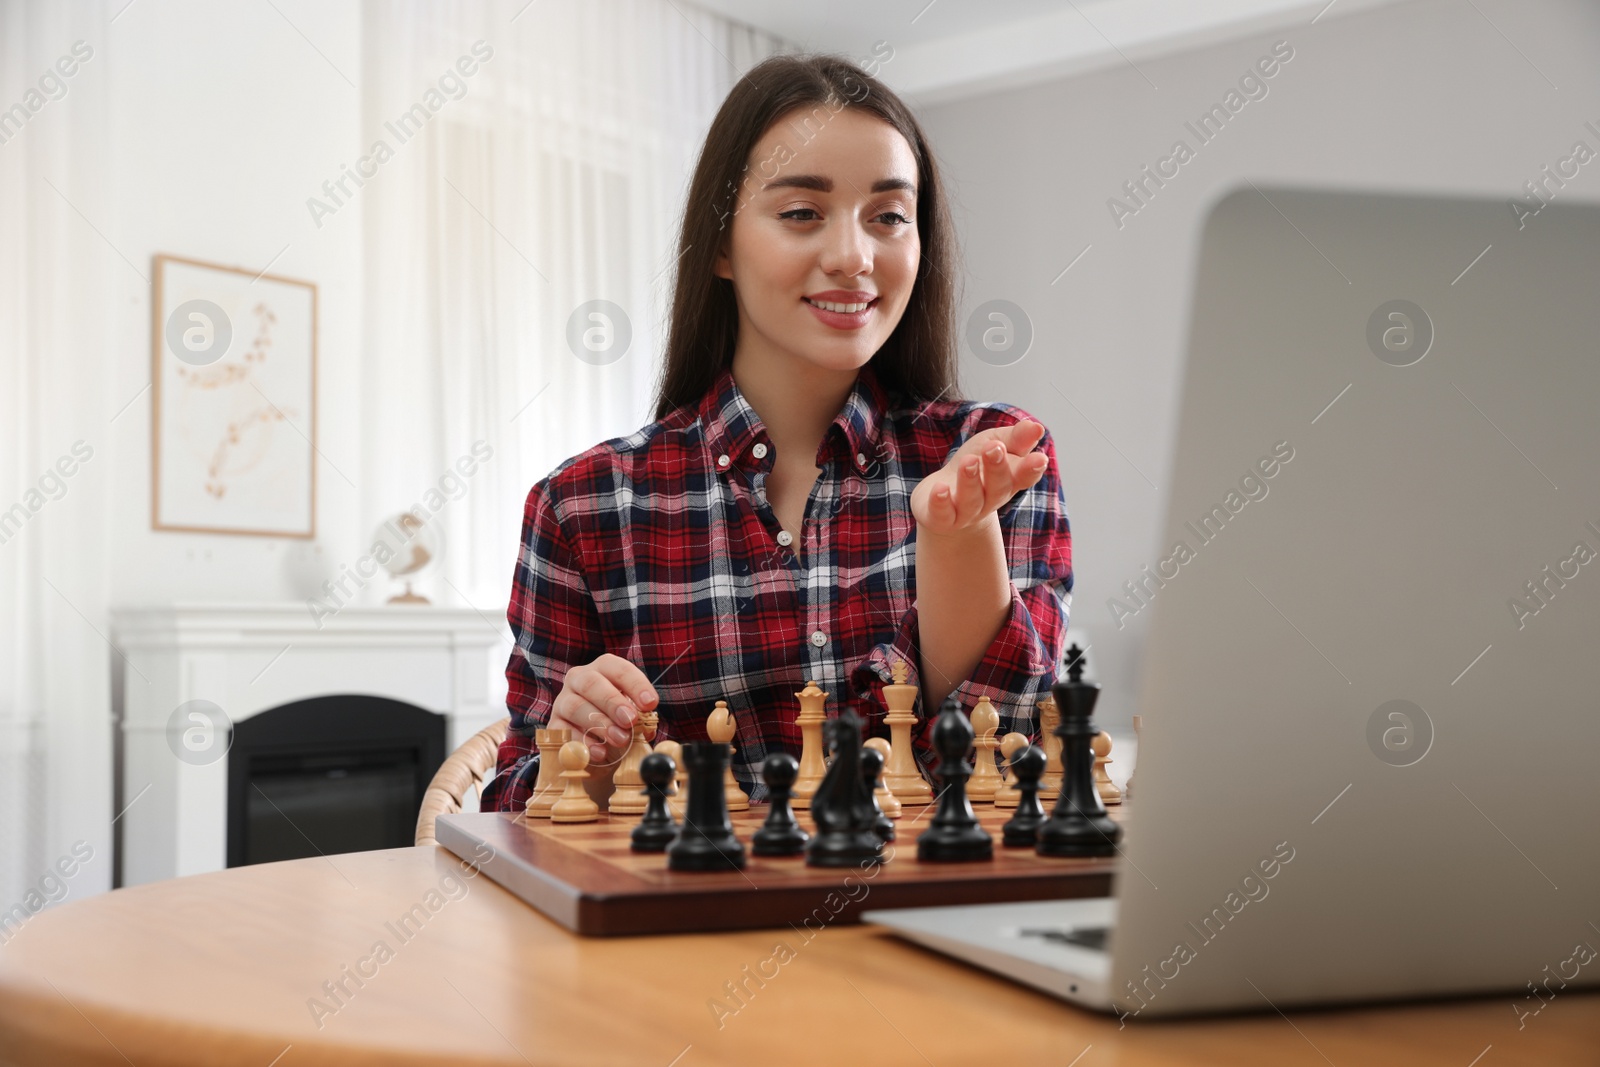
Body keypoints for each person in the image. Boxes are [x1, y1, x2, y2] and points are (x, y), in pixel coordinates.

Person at [481, 52, 1072, 812]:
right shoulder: (583, 506)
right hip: (685, 932)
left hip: (931, 928)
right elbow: (507, 811)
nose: (854, 257)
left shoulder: (995, 459)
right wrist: (582, 761)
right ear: (721, 244)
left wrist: (957, 540)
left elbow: (1009, 767)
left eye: (889, 216)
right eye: (802, 213)